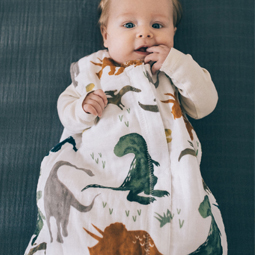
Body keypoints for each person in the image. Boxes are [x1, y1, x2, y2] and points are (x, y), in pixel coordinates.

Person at [25, 0, 227, 254]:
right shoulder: (92, 72)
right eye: (129, 25)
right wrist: (83, 109)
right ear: (106, 35)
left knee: (189, 230)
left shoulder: (174, 72)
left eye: (157, 25)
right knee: (83, 215)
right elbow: (66, 110)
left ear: (173, 32)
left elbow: (205, 104)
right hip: (98, 169)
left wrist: (176, 63)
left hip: (172, 175)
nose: (145, 33)